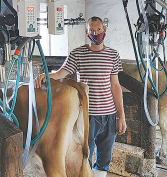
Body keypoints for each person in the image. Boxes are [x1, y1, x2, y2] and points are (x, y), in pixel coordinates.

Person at [35, 16, 127, 177]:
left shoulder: (113, 55)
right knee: (84, 156)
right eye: (92, 30)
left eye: (98, 29)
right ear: (87, 32)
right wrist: (47, 75)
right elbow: (61, 73)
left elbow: (115, 85)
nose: (95, 33)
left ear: (104, 29)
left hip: (109, 115)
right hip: (87, 115)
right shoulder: (78, 53)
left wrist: (121, 116)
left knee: (105, 158)